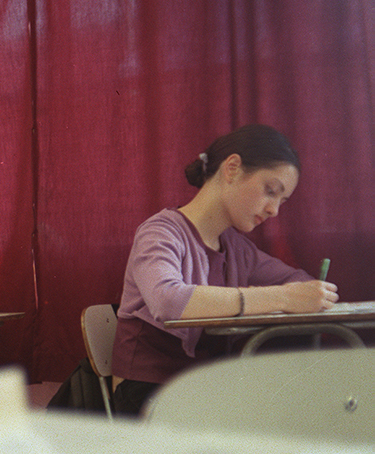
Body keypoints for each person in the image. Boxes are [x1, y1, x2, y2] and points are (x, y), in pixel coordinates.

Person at [110, 124, 339, 416]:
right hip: (149, 392)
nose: (274, 211)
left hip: (204, 389)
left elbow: (299, 282)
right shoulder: (160, 232)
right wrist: (280, 298)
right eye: (270, 191)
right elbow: (167, 299)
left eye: (281, 201)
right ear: (231, 168)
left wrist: (308, 294)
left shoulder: (238, 249)